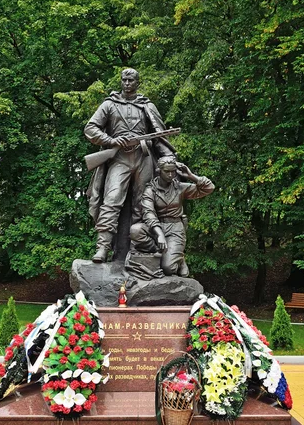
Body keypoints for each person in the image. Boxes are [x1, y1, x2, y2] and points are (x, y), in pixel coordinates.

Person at [84, 68, 175, 263]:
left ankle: (137, 248)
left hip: (143, 157)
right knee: (112, 199)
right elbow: (90, 128)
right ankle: (102, 247)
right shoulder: (109, 104)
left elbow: (158, 135)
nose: (126, 83)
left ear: (137, 83)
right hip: (119, 159)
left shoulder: (147, 105)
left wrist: (169, 157)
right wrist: (112, 140)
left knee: (143, 204)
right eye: (124, 80)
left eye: (131, 80)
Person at [129, 156, 215, 277]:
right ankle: (165, 252)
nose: (170, 175)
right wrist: (159, 234)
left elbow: (209, 188)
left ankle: (179, 259)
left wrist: (190, 175)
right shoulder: (151, 190)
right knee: (135, 230)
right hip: (157, 227)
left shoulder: (180, 187)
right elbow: (148, 213)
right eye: (167, 171)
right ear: (159, 171)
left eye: (173, 171)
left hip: (175, 228)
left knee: (168, 269)